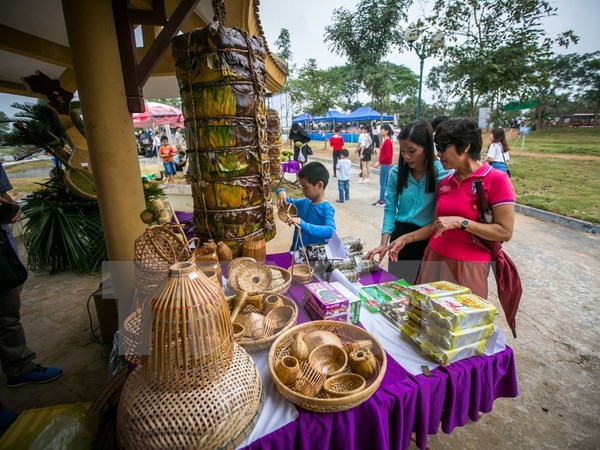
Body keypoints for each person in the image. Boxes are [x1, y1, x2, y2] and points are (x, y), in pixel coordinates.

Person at [416, 118, 516, 298]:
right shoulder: (446, 182)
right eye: (436, 147)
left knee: (463, 322)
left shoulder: (496, 180)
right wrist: (405, 239)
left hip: (468, 265)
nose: (438, 154)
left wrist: (462, 222)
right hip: (434, 257)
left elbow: (505, 232)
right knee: (425, 318)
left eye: (442, 147)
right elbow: (435, 225)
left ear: (466, 146)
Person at [0, 163, 63, 393]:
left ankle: (18, 367)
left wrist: (8, 207)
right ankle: (18, 368)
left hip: (3, 252)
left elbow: (4, 197)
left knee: (7, 315)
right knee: (7, 318)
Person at [365, 121, 450, 283]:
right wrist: (384, 243)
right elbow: (390, 210)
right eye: (403, 151)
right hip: (400, 239)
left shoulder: (442, 174)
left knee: (425, 294)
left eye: (412, 151)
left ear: (427, 148)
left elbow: (438, 220)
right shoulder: (396, 174)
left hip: (429, 238)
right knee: (401, 291)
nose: (406, 156)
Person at [275, 162, 336, 251]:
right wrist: (281, 192)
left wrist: (303, 224)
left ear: (319, 185)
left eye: (305, 187)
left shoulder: (326, 208)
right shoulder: (303, 203)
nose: (303, 191)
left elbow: (331, 231)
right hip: (296, 252)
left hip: (314, 257)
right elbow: (286, 200)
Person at [372, 124, 395, 206]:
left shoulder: (387, 141)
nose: (381, 131)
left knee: (383, 183)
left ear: (386, 131)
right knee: (384, 183)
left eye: (382, 129)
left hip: (385, 165)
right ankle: (383, 199)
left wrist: (379, 162)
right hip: (385, 164)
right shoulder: (386, 141)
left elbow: (388, 155)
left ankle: (383, 201)